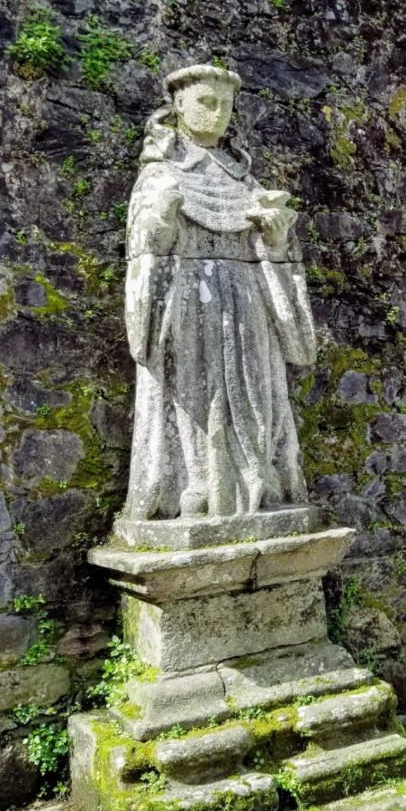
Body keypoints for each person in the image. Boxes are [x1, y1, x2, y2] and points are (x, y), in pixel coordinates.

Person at [122, 64, 317, 522]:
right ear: (179, 105)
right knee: (196, 394)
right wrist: (163, 219)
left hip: (249, 303)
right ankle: (198, 485)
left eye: (226, 105)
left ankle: (259, 482)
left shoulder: (242, 179)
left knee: (256, 392)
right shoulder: (162, 173)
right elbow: (144, 249)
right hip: (190, 302)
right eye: (206, 102)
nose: (217, 113)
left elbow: (274, 251)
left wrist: (274, 237)